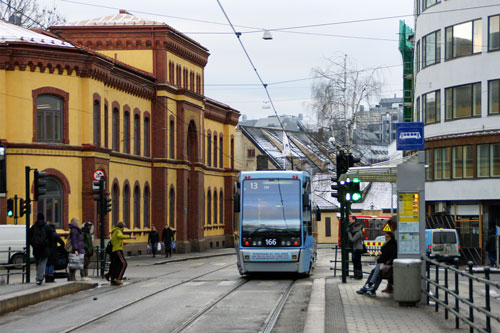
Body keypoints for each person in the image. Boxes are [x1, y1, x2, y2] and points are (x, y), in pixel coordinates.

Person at [356, 231, 397, 296]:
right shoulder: (388, 243)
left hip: (384, 263)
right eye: (385, 236)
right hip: (382, 262)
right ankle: (368, 287)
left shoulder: (391, 244)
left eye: (387, 237)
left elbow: (389, 255)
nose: (386, 238)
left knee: (378, 274)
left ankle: (370, 287)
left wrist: (387, 261)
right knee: (375, 273)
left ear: (391, 237)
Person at [28, 213, 53, 285]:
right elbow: (51, 238)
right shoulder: (47, 227)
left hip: (36, 248)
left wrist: (33, 244)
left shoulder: (33, 227)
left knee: (38, 263)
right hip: (44, 249)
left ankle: (38, 277)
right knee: (42, 263)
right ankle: (39, 278)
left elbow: (29, 237)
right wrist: (48, 245)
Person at [108, 221, 135, 285]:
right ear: (122, 227)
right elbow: (120, 236)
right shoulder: (118, 231)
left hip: (115, 249)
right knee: (124, 263)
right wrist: (130, 237)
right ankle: (118, 279)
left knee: (116, 264)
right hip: (118, 250)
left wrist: (123, 242)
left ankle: (112, 276)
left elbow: (117, 239)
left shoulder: (114, 231)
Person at [68, 217, 85, 281]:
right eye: (78, 221)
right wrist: (76, 249)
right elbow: (74, 240)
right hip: (76, 249)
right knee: (74, 263)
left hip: (78, 248)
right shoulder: (74, 230)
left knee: (75, 264)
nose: (79, 222)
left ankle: (72, 278)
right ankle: (71, 278)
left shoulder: (75, 229)